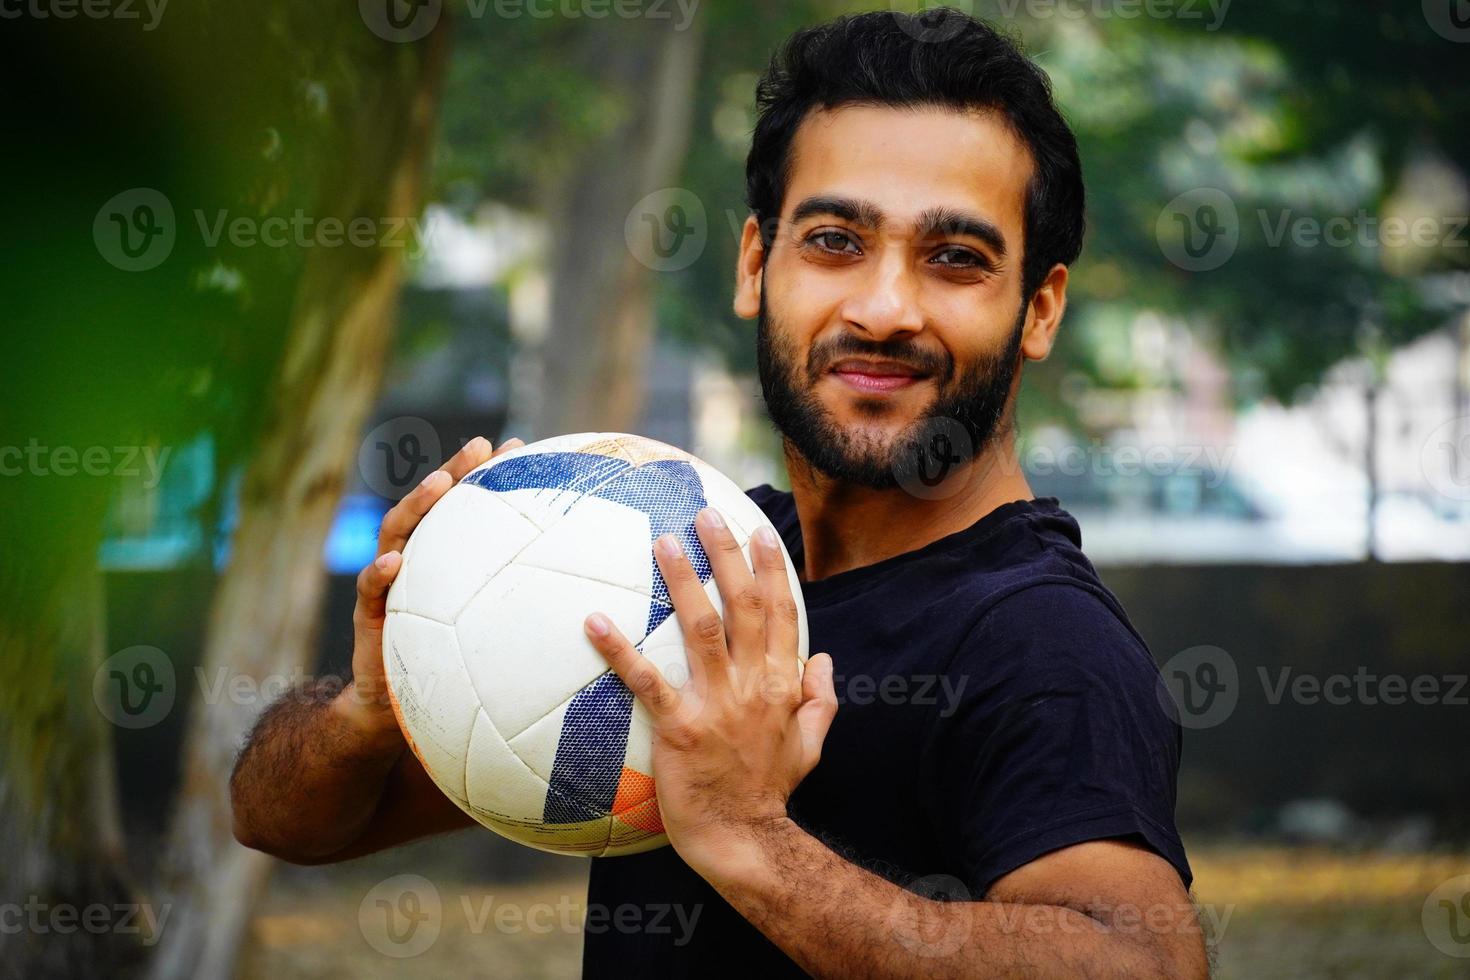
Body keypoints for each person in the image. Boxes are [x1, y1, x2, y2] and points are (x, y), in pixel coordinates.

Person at [231, 8, 1209, 977]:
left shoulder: (1040, 641)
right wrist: (373, 704)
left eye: (956, 258)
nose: (882, 307)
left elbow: (1145, 962)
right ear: (755, 264)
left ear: (1039, 308)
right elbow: (288, 820)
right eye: (835, 240)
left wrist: (749, 837)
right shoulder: (683, 561)